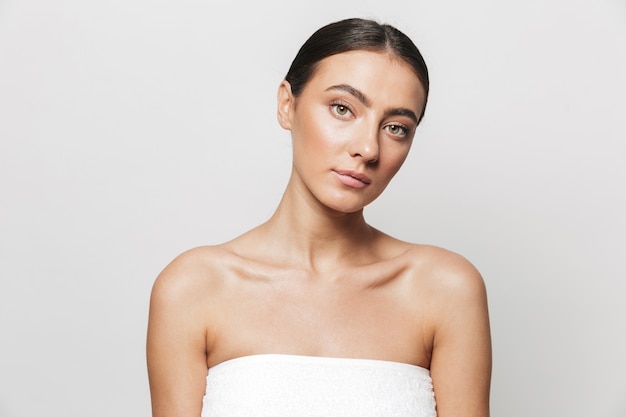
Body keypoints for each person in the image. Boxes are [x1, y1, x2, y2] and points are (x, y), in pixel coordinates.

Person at [147, 17, 491, 417]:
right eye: (343, 108)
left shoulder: (444, 289)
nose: (368, 148)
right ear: (287, 105)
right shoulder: (194, 288)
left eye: (396, 127)